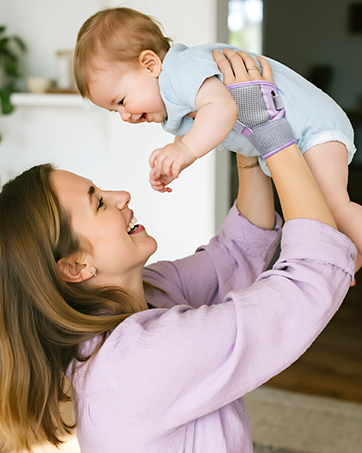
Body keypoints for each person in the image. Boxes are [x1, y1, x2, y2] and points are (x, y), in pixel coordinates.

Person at [0, 51, 356, 453]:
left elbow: (235, 252)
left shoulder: (146, 293)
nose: (121, 196)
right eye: (98, 202)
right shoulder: (136, 362)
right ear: (76, 265)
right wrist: (270, 128)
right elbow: (308, 281)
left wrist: (247, 146)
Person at [73, 6, 362, 277]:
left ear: (150, 64)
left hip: (313, 129)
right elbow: (199, 122)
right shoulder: (177, 92)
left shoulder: (181, 71)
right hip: (301, 134)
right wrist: (175, 158)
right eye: (116, 111)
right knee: (318, 213)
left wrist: (185, 150)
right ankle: (349, 255)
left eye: (122, 101)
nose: (125, 116)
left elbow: (221, 108)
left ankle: (350, 251)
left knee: (333, 206)